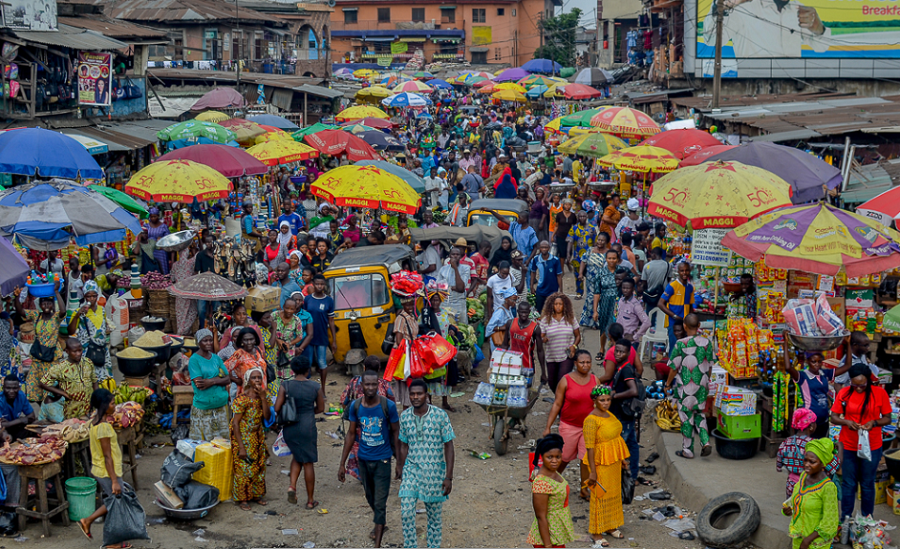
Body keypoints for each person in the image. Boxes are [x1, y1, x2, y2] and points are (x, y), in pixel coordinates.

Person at [339, 370, 400, 547]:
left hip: (383, 460)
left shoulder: (388, 406)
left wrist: (400, 462)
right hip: (363, 459)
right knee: (370, 497)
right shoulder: (356, 406)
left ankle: (377, 542)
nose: (371, 387)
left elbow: (396, 432)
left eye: (374, 384)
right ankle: (382, 523)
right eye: (368, 384)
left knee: (380, 503)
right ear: (362, 386)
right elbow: (351, 434)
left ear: (379, 385)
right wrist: (342, 464)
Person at [398, 379, 456, 549]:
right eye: (412, 394)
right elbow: (403, 444)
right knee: (406, 512)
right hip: (411, 470)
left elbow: (449, 445)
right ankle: (410, 546)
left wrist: (449, 477)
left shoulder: (440, 416)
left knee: (434, 518)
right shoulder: (405, 417)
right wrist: (401, 467)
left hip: (434, 473)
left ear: (426, 395)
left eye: (419, 393)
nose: (415, 397)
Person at [830, 363, 892, 520]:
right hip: (848, 445)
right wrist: (847, 422)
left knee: (867, 484)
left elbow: (887, 418)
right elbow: (834, 417)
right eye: (854, 384)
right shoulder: (844, 393)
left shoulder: (880, 394)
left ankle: (866, 520)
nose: (858, 388)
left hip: (872, 445)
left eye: (862, 385)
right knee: (849, 483)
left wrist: (874, 423)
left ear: (869, 381)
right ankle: (846, 519)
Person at [78, 389, 137, 548]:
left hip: (101, 470)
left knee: (116, 502)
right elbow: (107, 456)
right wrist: (114, 481)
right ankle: (112, 542)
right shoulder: (103, 428)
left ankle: (90, 522)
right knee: (117, 503)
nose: (115, 406)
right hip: (106, 471)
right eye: (112, 403)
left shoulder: (95, 422)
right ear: (104, 406)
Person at [543, 350, 598, 500]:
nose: (585, 365)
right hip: (569, 426)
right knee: (563, 457)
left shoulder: (595, 380)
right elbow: (557, 404)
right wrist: (548, 427)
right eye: (582, 362)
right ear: (575, 364)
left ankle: (584, 489)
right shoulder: (566, 380)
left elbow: (600, 404)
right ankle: (551, 483)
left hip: (588, 427)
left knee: (586, 459)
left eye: (588, 362)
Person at [583, 385, 630, 547]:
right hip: (600, 463)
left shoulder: (608, 414)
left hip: (613, 462)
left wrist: (622, 459)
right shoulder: (591, 420)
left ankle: (610, 526)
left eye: (608, 400)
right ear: (594, 401)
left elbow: (616, 438)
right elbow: (589, 448)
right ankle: (596, 532)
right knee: (600, 497)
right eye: (602, 400)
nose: (606, 403)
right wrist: (593, 473)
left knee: (613, 495)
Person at [275, 356, 324, 509]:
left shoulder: (285, 385)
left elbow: (277, 408)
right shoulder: (315, 387)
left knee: (297, 455)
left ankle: (292, 486)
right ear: (308, 369)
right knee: (308, 462)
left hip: (290, 426)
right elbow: (321, 409)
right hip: (308, 425)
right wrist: (309, 411)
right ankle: (310, 501)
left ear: (293, 370)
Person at [339, 356, 396, 482]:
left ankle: (363, 476)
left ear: (364, 367)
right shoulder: (384, 385)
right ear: (379, 369)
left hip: (358, 424)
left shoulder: (354, 382)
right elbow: (392, 404)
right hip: (379, 425)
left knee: (359, 448)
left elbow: (344, 400)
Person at [665, 314, 713, 459]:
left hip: (686, 386)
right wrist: (706, 382)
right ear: (699, 326)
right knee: (699, 414)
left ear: (685, 326)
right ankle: (705, 442)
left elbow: (674, 368)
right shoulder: (707, 342)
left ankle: (688, 450)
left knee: (686, 416)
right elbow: (710, 366)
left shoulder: (681, 344)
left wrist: (667, 384)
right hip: (702, 384)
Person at [782, 439, 841, 549]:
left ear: (822, 464)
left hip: (815, 544)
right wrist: (789, 510)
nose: (807, 465)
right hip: (799, 537)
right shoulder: (804, 476)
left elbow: (829, 522)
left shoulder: (828, 487)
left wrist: (807, 541)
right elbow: (796, 500)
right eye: (805, 460)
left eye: (812, 462)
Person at [14, 281, 66, 403]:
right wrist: (17, 297)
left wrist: (57, 292)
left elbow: (63, 311)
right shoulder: (36, 315)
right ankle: (42, 409)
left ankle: (50, 412)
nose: (46, 305)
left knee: (50, 389)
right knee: (34, 387)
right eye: (44, 303)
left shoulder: (56, 317)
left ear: (53, 305)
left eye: (49, 303)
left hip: (51, 359)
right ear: (40, 305)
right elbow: (21, 311)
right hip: (38, 358)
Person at [777, 408, 840, 499]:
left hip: (792, 486)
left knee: (794, 510)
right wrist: (839, 448)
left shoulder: (785, 443)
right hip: (812, 486)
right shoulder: (816, 446)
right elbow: (834, 468)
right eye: (814, 423)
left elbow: (779, 467)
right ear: (811, 426)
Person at [231, 367, 271, 511]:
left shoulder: (263, 396)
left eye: (259, 378)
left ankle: (257, 495)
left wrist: (263, 398)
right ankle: (243, 498)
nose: (257, 380)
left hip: (257, 435)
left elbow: (267, 417)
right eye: (254, 378)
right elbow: (235, 423)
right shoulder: (242, 400)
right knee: (244, 468)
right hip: (244, 436)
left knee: (259, 466)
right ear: (248, 380)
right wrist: (241, 446)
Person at [528, 434, 576, 548]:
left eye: (558, 457)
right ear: (542, 457)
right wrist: (548, 545)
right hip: (548, 536)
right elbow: (541, 517)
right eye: (549, 457)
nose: (554, 461)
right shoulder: (541, 483)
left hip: (556, 531)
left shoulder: (554, 472)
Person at [188, 328, 230, 442]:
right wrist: (218, 378)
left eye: (210, 340)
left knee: (222, 442)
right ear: (198, 342)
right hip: (204, 406)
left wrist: (210, 381)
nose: (208, 343)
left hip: (221, 405)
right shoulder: (194, 360)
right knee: (204, 443)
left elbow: (228, 378)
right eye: (205, 341)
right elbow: (200, 384)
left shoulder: (216, 358)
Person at [39, 338, 97, 420]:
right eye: (74, 351)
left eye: (80, 350)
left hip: (88, 406)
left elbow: (94, 380)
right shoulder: (60, 368)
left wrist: (96, 397)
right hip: (71, 409)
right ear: (67, 351)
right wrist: (62, 393)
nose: (78, 354)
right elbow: (42, 383)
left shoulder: (88, 362)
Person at [539, 293, 580, 393]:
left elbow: (578, 335)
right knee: (552, 383)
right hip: (551, 355)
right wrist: (543, 339)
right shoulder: (545, 320)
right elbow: (541, 336)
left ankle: (561, 404)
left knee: (562, 379)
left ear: (564, 305)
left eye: (560, 304)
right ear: (551, 305)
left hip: (566, 355)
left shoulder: (570, 319)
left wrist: (574, 346)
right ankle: (560, 400)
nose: (558, 306)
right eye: (556, 304)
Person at [786, 352, 832, 439]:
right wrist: (785, 342)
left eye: (819, 362)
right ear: (807, 362)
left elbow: (847, 366)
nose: (817, 364)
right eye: (813, 361)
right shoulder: (803, 376)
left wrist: (848, 344)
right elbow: (788, 367)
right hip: (809, 422)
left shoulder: (824, 374)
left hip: (823, 420)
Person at [303, 275, 336, 395]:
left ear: (325, 285)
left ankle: (323, 389)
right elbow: (304, 318)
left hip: (322, 335)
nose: (319, 286)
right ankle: (307, 390)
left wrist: (334, 341)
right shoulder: (307, 300)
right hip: (308, 336)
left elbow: (331, 321)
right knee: (308, 362)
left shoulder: (329, 300)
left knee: (322, 362)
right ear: (313, 284)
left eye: (322, 284)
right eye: (317, 284)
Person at [73, 281, 112, 380]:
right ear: (84, 296)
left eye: (94, 296)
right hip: (88, 351)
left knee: (105, 379)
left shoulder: (102, 310)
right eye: (88, 296)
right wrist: (77, 316)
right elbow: (71, 330)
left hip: (101, 349)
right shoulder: (80, 311)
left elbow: (103, 326)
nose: (91, 299)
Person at [502, 301, 548, 385]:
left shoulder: (535, 328)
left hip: (527, 366)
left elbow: (540, 351)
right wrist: (500, 362)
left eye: (526, 312)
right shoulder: (510, 323)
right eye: (521, 312)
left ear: (529, 312)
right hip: (512, 364)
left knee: (525, 392)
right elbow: (504, 344)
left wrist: (543, 372)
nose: (523, 315)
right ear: (518, 312)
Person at [584, 249, 620, 353]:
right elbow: (596, 292)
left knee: (615, 325)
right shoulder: (600, 273)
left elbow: (632, 279)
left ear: (617, 259)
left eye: (614, 258)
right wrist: (595, 310)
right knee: (603, 326)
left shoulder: (621, 271)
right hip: (604, 303)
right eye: (609, 258)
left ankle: (614, 348)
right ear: (606, 259)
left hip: (617, 304)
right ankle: (602, 348)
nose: (612, 260)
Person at [659, 262, 694, 351]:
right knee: (674, 349)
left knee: (684, 349)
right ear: (678, 271)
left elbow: (690, 306)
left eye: (686, 270)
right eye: (682, 271)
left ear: (690, 271)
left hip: (685, 323)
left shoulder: (690, 287)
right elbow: (660, 304)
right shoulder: (672, 286)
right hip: (673, 323)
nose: (684, 273)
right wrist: (674, 316)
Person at [225, 328, 268, 397]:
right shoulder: (239, 354)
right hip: (247, 394)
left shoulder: (258, 351)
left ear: (255, 340)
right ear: (241, 341)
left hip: (262, 392)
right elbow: (224, 368)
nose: (249, 343)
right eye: (246, 340)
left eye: (251, 339)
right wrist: (235, 380)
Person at [436, 247, 470, 325]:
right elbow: (438, 287)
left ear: (460, 257)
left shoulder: (465, 269)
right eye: (453, 254)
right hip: (444, 303)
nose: (455, 256)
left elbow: (461, 288)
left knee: (460, 327)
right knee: (445, 325)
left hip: (459, 303)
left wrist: (455, 269)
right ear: (449, 256)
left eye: (457, 254)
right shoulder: (443, 269)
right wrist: (452, 287)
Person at [568, 212, 597, 297]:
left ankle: (591, 293)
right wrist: (568, 254)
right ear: (578, 217)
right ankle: (579, 292)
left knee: (590, 274)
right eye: (580, 216)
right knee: (578, 275)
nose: (582, 218)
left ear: (587, 217)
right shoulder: (574, 228)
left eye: (584, 216)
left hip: (590, 256)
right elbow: (570, 241)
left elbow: (596, 242)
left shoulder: (592, 228)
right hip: (577, 256)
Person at [530, 241, 563, 314]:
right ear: (539, 248)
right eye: (542, 247)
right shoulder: (536, 259)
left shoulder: (555, 260)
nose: (544, 249)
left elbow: (559, 276)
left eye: (545, 247)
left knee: (552, 311)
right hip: (540, 289)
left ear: (549, 248)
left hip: (552, 290)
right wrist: (531, 286)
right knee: (538, 310)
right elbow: (533, 272)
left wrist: (561, 290)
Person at [615, 278, 649, 347]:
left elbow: (647, 322)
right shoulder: (621, 301)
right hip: (619, 340)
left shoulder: (635, 305)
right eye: (623, 288)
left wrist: (635, 336)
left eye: (628, 288)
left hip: (631, 343)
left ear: (633, 289)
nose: (625, 290)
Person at [0, 375, 35, 441]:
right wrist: (21, 420)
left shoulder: (21, 396)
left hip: (15, 427)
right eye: (8, 388)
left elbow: (32, 416)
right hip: (3, 431)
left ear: (19, 388)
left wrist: (8, 423)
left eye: (14, 388)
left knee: (34, 429)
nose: (11, 391)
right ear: (3, 388)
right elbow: (1, 426)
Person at [486, 287, 518, 353]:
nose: (514, 303)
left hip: (506, 342)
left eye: (515, 300)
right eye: (513, 300)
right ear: (506, 299)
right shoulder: (500, 312)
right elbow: (489, 328)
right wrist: (502, 328)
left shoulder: (509, 310)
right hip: (499, 342)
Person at [144, 207, 171, 274]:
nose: (153, 218)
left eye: (155, 216)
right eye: (151, 217)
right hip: (149, 251)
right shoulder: (146, 226)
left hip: (160, 251)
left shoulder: (163, 226)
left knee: (162, 269)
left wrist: (162, 239)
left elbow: (168, 238)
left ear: (158, 216)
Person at [554, 199, 576, 265]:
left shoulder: (573, 215)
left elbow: (574, 227)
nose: (567, 206)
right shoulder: (559, 215)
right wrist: (553, 236)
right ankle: (562, 269)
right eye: (566, 204)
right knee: (561, 253)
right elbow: (556, 226)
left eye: (569, 205)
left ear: (571, 206)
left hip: (569, 236)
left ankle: (568, 263)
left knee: (569, 251)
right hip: (560, 235)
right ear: (563, 205)